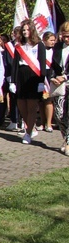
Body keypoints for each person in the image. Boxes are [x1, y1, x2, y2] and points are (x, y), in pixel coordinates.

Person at [10, 19, 46, 144]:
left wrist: (42, 81)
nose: (25, 32)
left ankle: (28, 132)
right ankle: (31, 126)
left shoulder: (39, 45)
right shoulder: (19, 46)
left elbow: (42, 63)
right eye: (23, 30)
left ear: (32, 30)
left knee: (31, 106)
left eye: (27, 29)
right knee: (21, 105)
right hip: (21, 75)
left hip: (34, 77)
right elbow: (15, 65)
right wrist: (12, 82)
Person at [50, 22, 69, 155]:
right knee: (59, 115)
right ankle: (66, 138)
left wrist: (66, 77)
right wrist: (52, 77)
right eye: (64, 36)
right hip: (59, 85)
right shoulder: (58, 47)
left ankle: (68, 142)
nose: (66, 39)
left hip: (67, 82)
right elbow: (52, 66)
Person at [38, 31, 56, 132]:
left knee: (48, 100)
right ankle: (42, 122)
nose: (53, 42)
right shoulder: (40, 49)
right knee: (41, 101)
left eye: (54, 40)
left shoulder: (55, 51)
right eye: (51, 40)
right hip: (41, 74)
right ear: (44, 40)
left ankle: (49, 123)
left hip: (50, 75)